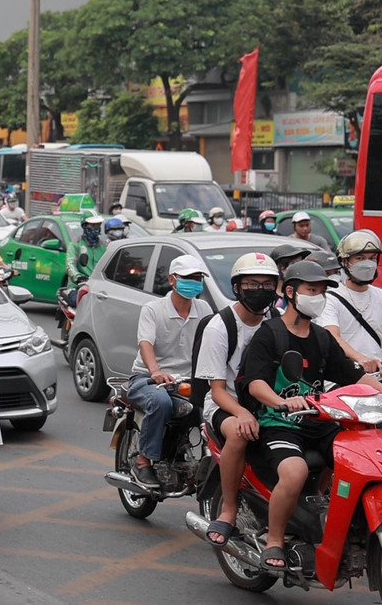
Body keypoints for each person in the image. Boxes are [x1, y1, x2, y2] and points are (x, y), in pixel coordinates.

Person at [238, 260, 382, 570]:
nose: (319, 297)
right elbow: (255, 383)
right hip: (278, 423)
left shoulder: (322, 337)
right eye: (312, 290)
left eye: (322, 292)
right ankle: (274, 539)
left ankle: (326, 514)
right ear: (290, 292)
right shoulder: (270, 334)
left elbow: (355, 377)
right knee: (295, 471)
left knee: (364, 457)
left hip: (317, 420)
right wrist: (282, 402)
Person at [197, 253, 281, 546]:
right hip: (226, 404)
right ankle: (229, 508)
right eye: (252, 284)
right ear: (237, 287)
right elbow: (217, 389)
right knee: (238, 433)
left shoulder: (277, 322)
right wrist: (242, 414)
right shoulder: (220, 327)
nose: (260, 290)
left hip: (270, 404)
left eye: (268, 284)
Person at [126, 255, 213, 488]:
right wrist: (155, 371)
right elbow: (145, 343)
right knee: (161, 403)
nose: (194, 282)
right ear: (173, 280)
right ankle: (144, 461)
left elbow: (213, 343)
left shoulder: (204, 308)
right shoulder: (153, 309)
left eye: (198, 278)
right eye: (189, 278)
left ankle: (185, 453)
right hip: (148, 379)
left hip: (187, 381)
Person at [316, 230, 382, 375]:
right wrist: (360, 359)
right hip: (342, 378)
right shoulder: (330, 298)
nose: (367, 264)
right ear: (345, 262)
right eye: (360, 258)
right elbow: (332, 336)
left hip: (377, 376)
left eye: (372, 258)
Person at [65, 215, 107, 305]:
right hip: (78, 288)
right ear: (84, 226)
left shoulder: (104, 246)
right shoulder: (75, 244)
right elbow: (70, 264)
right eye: (92, 226)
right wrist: (78, 277)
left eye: (98, 225)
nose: (96, 228)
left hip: (98, 288)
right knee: (83, 302)